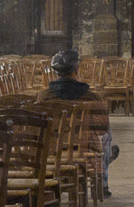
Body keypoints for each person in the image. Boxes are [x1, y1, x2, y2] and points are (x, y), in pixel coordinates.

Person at [37, 49, 118, 197]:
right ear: (76, 69)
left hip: (53, 147)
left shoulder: (44, 96)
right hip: (84, 146)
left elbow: (39, 125)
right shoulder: (91, 97)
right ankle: (103, 183)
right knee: (107, 135)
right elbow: (102, 128)